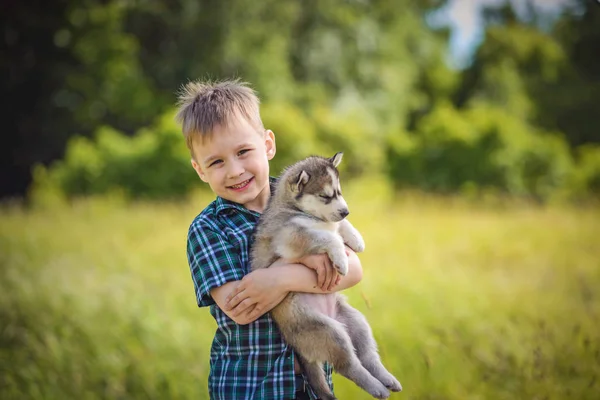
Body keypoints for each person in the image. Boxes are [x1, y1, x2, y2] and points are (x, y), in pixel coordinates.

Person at [176, 79, 364, 400]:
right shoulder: (209, 229)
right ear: (200, 170)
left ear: (268, 145)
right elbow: (241, 307)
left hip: (310, 388)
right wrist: (306, 261)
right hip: (250, 388)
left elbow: (352, 269)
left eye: (243, 152)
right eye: (217, 162)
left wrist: (279, 278)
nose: (235, 171)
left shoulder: (303, 198)